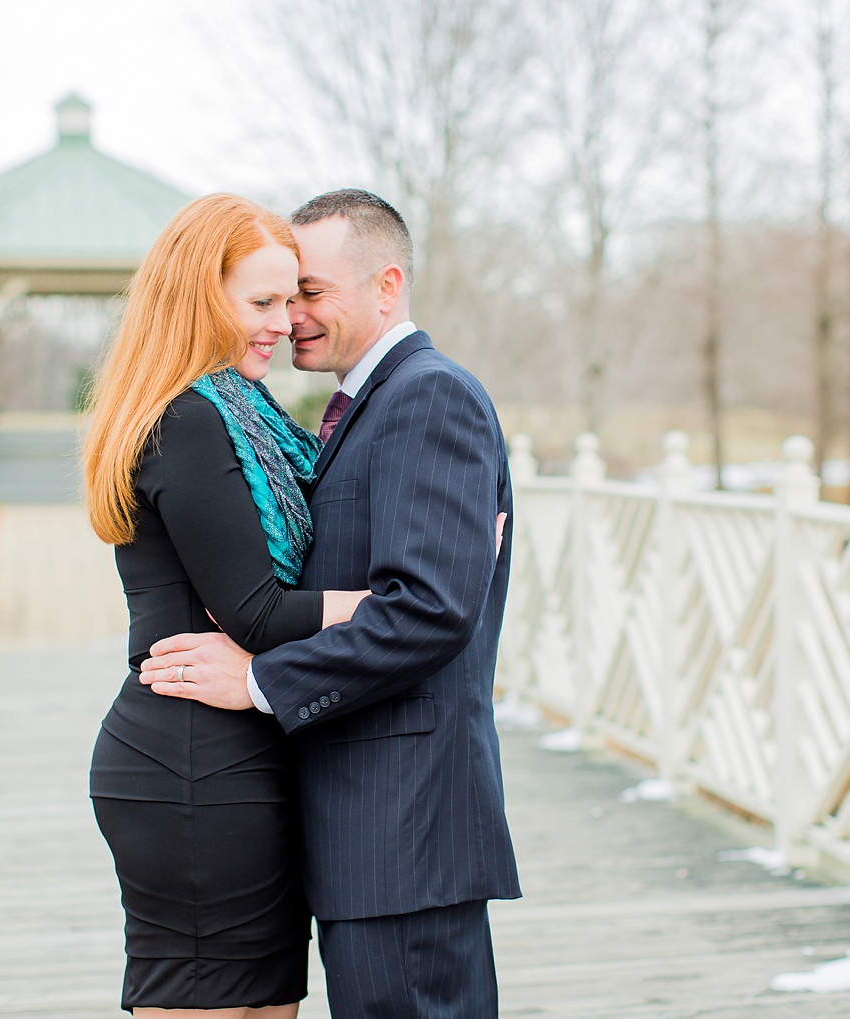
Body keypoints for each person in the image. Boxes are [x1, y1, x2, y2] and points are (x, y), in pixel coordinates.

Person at [142, 189, 521, 1019]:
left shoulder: (428, 398)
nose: (292, 316)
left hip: (403, 825)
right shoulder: (357, 409)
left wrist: (259, 680)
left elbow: (427, 608)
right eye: (276, 297)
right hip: (364, 828)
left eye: (310, 292)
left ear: (386, 286)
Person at [81, 193, 370, 1018]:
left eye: (292, 298)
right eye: (262, 302)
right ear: (199, 296)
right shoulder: (190, 418)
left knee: (267, 1003)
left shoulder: (246, 411)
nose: (286, 322)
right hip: (191, 767)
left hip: (243, 753)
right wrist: (405, 598)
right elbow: (256, 611)